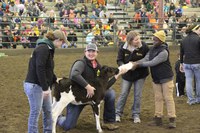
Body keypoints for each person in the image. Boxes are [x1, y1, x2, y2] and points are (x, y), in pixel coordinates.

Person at [57, 44, 124, 131]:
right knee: (68, 126)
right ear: (85, 52)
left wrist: (115, 77)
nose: (91, 53)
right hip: (77, 96)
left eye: (93, 51)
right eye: (89, 51)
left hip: (92, 96)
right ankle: (59, 117)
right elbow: (74, 74)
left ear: (97, 53)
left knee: (110, 93)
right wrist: (88, 86)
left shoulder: (98, 67)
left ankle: (108, 122)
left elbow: (104, 86)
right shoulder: (80, 63)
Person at [23, 30, 68, 133]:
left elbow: (47, 69)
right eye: (62, 42)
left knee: (47, 110)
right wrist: (45, 88)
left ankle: (48, 131)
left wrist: (54, 79)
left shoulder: (47, 48)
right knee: (35, 112)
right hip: (35, 85)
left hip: (40, 85)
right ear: (57, 40)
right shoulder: (44, 49)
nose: (62, 44)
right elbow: (40, 68)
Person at [129, 30, 176, 128]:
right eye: (154, 38)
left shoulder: (164, 52)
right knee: (158, 98)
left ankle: (172, 119)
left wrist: (138, 64)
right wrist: (135, 62)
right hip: (157, 77)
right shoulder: (153, 49)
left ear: (161, 40)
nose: (154, 40)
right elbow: (146, 59)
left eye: (156, 39)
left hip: (166, 78)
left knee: (168, 98)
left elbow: (153, 62)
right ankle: (158, 118)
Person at [115, 31, 149, 123]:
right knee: (123, 93)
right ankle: (117, 113)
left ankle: (136, 114)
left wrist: (137, 64)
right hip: (127, 75)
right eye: (136, 39)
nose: (138, 41)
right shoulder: (123, 48)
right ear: (130, 41)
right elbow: (119, 60)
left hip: (140, 74)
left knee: (137, 95)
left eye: (139, 38)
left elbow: (147, 59)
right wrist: (124, 66)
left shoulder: (144, 47)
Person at [180, 25, 200, 105]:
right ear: (195, 30)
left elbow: (181, 53)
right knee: (198, 81)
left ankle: (191, 100)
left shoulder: (183, 40)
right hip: (197, 63)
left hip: (187, 63)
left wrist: (181, 63)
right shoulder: (198, 39)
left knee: (188, 81)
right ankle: (198, 99)